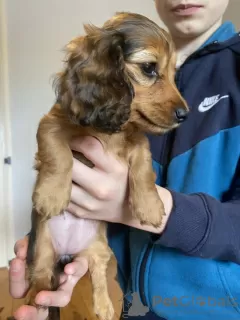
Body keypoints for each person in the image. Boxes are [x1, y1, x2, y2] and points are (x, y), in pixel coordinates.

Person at [9, 0, 240, 319]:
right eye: (150, 70)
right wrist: (68, 237)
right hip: (133, 307)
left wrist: (161, 212)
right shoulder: (112, 83)